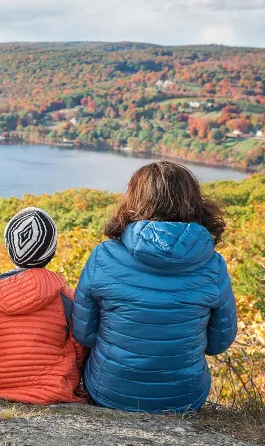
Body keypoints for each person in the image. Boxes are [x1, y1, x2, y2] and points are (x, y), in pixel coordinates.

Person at [71, 161, 238, 413]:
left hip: (109, 390)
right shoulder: (213, 265)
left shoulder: (103, 257)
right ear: (194, 201)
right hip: (183, 397)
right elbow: (218, 343)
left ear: (134, 200)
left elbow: (84, 334)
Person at [0, 208, 87, 405]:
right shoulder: (67, 299)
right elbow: (79, 351)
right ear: (52, 251)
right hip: (52, 391)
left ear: (10, 249)